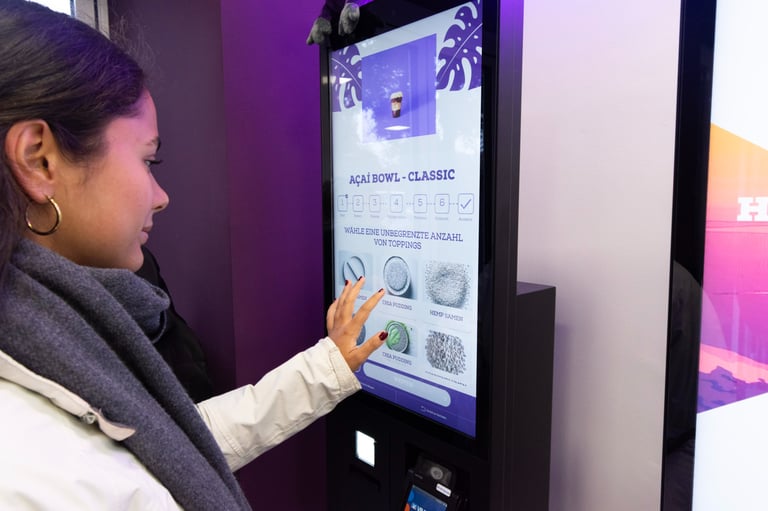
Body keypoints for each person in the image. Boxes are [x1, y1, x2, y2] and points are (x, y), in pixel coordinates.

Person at [0, 2, 387, 509]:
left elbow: (167, 447)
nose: (161, 196)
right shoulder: (24, 466)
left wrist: (327, 366)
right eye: (148, 159)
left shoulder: (50, 339)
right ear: (39, 159)